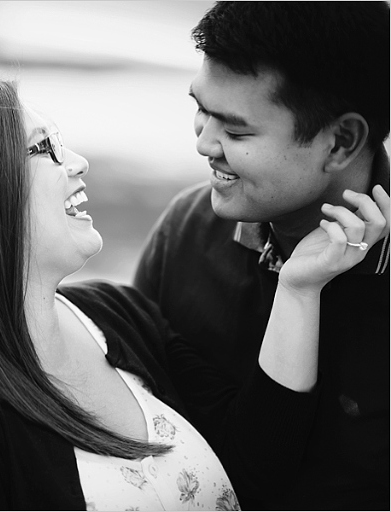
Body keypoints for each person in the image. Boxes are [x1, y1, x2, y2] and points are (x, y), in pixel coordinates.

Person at [0, 78, 387, 510]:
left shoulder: (116, 314)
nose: (78, 162)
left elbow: (255, 467)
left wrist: (297, 289)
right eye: (43, 148)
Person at [133, 2, 390, 510]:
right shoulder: (186, 232)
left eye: (236, 130)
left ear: (341, 141)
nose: (205, 144)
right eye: (201, 111)